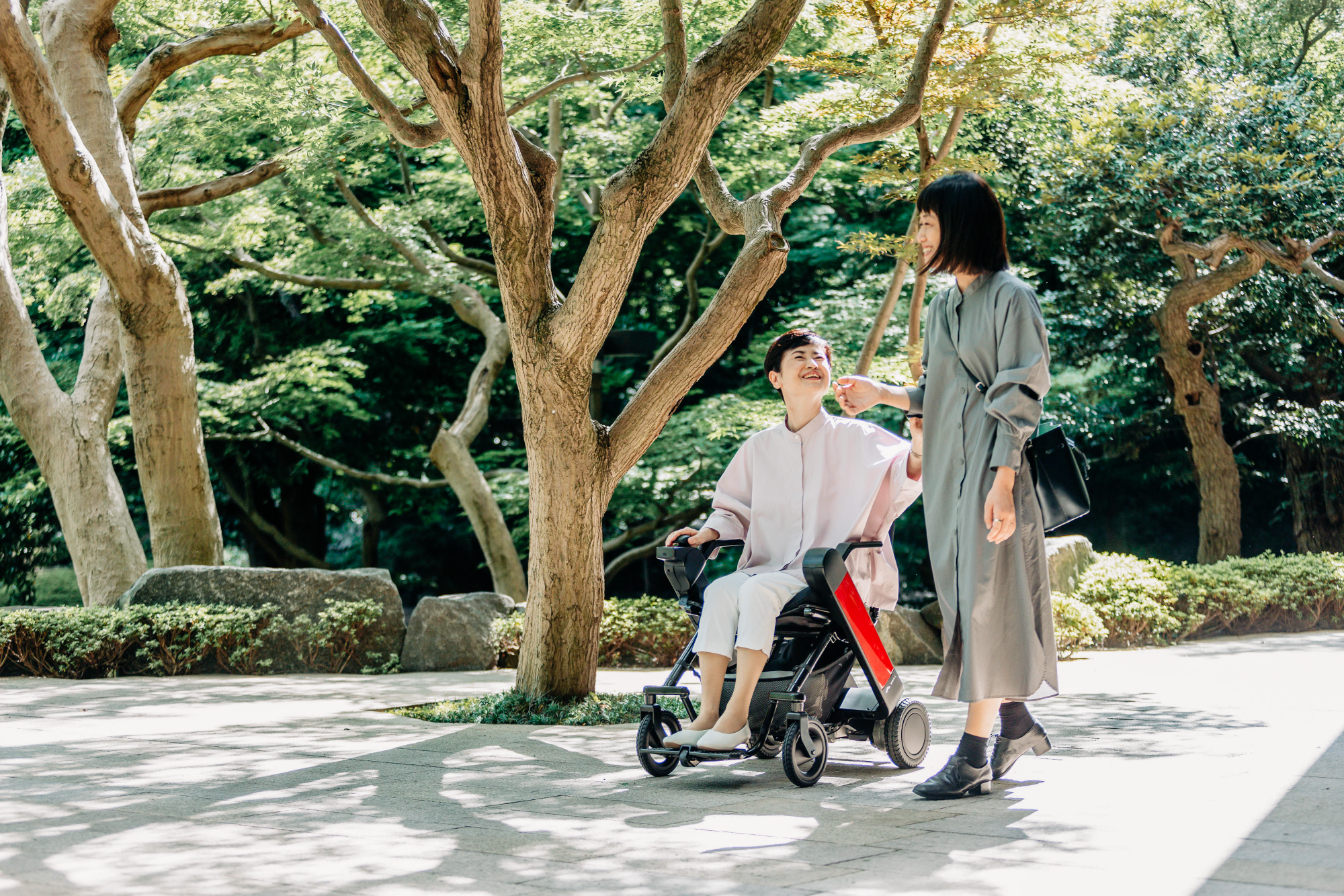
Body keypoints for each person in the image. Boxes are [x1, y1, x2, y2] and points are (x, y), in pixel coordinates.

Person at [835, 171, 1056, 799]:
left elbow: (1021, 393)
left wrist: (1004, 481)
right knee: (966, 601)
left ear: (961, 225)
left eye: (930, 224)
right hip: (947, 476)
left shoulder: (1012, 297)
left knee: (986, 599)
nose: (921, 236)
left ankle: (974, 755)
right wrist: (880, 394)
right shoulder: (942, 304)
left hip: (993, 469)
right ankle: (1015, 723)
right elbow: (936, 392)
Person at [663, 328, 924, 752]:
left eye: (820, 357)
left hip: (827, 576)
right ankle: (709, 714)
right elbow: (732, 509)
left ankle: (737, 717)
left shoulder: (858, 437)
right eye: (800, 357)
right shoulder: (758, 448)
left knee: (757, 591)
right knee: (720, 591)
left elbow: (907, 473)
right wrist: (708, 533)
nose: (812, 364)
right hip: (770, 567)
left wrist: (920, 444)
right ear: (776, 378)